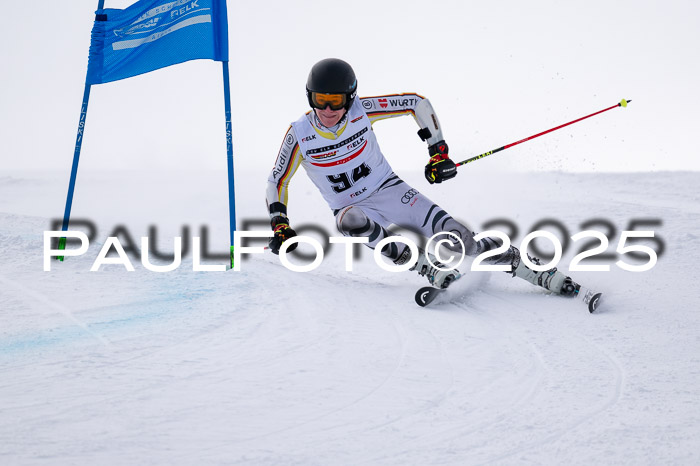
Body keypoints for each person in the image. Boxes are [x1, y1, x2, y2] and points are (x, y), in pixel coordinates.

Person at [265, 58, 579, 296]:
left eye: (336, 100)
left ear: (350, 98)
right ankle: (423, 266)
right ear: (310, 97)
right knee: (351, 221)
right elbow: (277, 181)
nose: (328, 109)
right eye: (320, 99)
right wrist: (280, 225)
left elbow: (416, 102)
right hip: (350, 206)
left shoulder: (363, 110)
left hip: (389, 189)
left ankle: (515, 261)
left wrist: (437, 152)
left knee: (460, 241)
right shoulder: (300, 135)